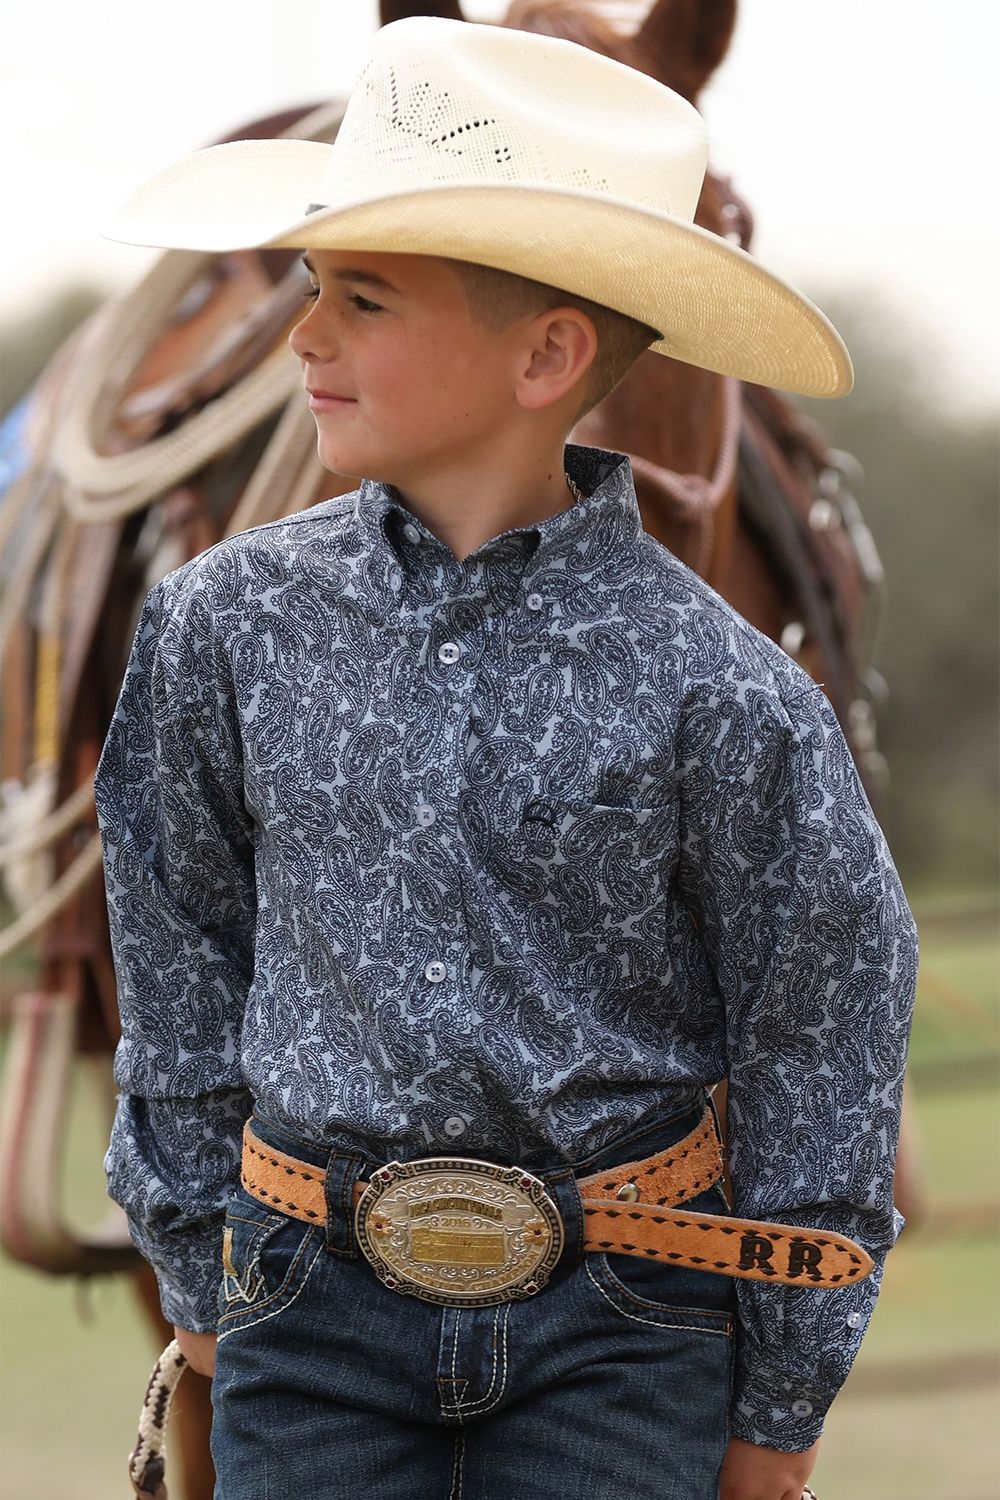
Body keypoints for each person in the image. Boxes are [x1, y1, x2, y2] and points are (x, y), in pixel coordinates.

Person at [94, 17, 917, 1500]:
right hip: (307, 1326)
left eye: (364, 299)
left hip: (628, 1335)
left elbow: (824, 1033)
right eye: (310, 288)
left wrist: (780, 1414)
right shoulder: (222, 627)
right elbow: (179, 962)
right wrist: (205, 1307)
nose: (304, 338)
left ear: (546, 354)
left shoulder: (727, 692)